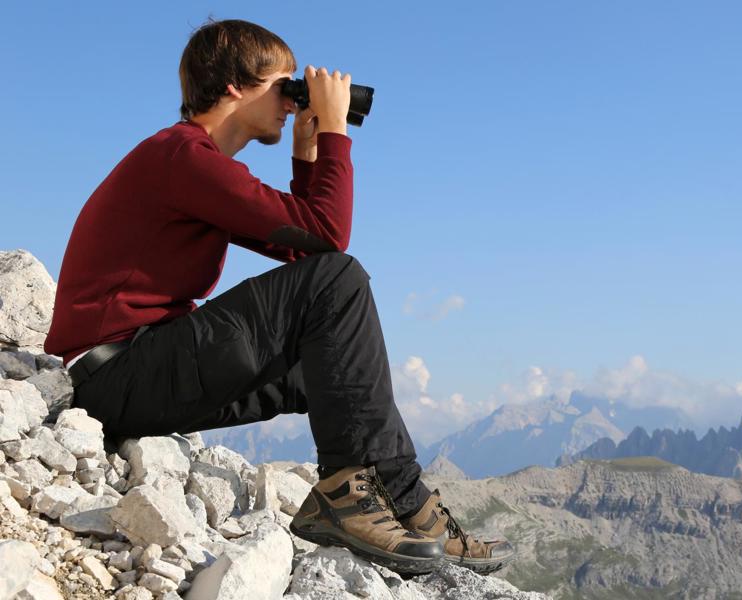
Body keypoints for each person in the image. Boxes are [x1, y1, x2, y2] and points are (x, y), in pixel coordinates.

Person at [43, 18, 514, 575]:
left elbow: (303, 249)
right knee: (340, 280)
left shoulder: (196, 165)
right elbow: (330, 249)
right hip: (114, 376)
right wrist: (336, 130)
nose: (293, 101)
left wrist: (307, 154)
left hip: (139, 376)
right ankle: (344, 501)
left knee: (336, 369)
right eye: (285, 85)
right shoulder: (182, 158)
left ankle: (408, 506)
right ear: (235, 86)